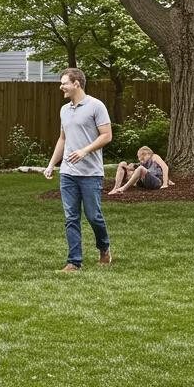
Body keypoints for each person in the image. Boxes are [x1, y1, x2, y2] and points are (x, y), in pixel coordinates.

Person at [43, 68, 113, 271]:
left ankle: (104, 247)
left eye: (64, 82)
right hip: (68, 173)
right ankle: (74, 261)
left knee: (93, 216)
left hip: (91, 174)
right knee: (71, 217)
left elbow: (107, 135)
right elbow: (63, 139)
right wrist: (51, 164)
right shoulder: (64, 110)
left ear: (76, 83)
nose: (61, 86)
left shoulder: (96, 106)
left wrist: (85, 151)